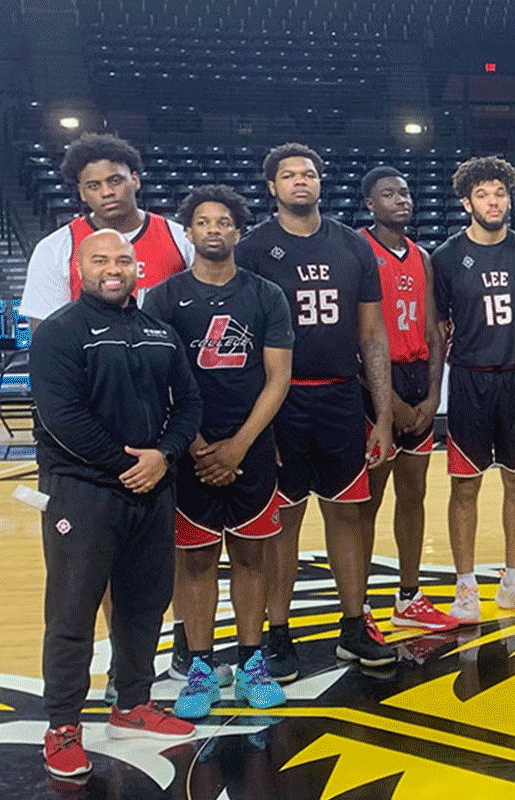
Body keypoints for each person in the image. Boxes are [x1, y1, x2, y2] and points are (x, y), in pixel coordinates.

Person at [33, 229, 202, 779]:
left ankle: (132, 704)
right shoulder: (60, 332)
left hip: (151, 486)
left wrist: (166, 455)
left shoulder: (159, 330)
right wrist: (130, 464)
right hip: (82, 491)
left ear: (138, 269)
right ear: (79, 268)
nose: (114, 268)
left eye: (123, 260)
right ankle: (62, 725)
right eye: (100, 260)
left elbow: (189, 403)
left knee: (145, 602)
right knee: (72, 610)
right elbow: (63, 419)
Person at [237, 143, 396, 680]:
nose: (300, 182)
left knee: (348, 513)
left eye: (309, 174)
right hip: (281, 400)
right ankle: (278, 634)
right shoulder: (254, 248)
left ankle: (355, 627)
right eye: (288, 175)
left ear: (321, 183)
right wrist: (255, 421)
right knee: (283, 518)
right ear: (272, 187)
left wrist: (385, 417)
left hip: (340, 397)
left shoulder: (353, 246)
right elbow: (245, 337)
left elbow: (373, 336)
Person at [145, 186, 291, 718]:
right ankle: (201, 668)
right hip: (188, 451)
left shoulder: (265, 294)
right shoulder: (162, 298)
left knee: (252, 557)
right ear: (188, 233)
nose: (213, 229)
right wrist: (201, 445)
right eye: (203, 222)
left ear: (237, 232)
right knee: (197, 560)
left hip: (250, 446)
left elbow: (279, 378)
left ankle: (252, 662)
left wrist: (239, 446)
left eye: (223, 222)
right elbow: (158, 381)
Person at [432, 156, 515, 622]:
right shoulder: (445, 257)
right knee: (465, 487)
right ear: (467, 203)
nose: (493, 201)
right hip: (469, 381)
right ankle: (465, 587)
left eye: (499, 193)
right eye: (482, 194)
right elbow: (438, 327)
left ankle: (513, 581)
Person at [354, 167, 455, 632]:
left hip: (418, 380)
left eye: (406, 191)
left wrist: (433, 395)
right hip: (373, 385)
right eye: (388, 194)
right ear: (370, 204)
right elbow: (356, 335)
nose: (401, 199)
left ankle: (409, 596)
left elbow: (435, 331)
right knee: (367, 503)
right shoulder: (358, 249)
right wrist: (386, 401)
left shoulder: (423, 256)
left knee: (413, 494)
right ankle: (360, 605)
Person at [19, 132, 192, 324]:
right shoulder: (54, 249)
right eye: (94, 186)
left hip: (165, 350)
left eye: (115, 181)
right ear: (82, 193)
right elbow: (44, 332)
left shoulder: (181, 238)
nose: (107, 192)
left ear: (135, 180)